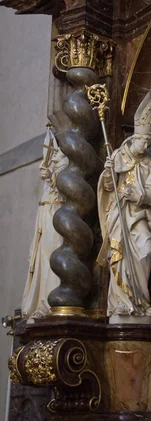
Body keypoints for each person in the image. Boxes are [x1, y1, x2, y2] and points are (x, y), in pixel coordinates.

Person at [97, 93, 151, 323]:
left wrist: (139, 194)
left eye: (149, 142)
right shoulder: (116, 157)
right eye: (143, 141)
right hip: (120, 215)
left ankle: (141, 301)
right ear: (134, 139)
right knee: (119, 255)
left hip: (140, 217)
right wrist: (108, 172)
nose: (146, 146)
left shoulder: (150, 163)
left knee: (146, 251)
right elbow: (106, 187)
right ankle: (122, 304)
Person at [22, 127, 68, 318]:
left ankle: (51, 302)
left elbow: (67, 190)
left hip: (58, 215)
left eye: (51, 156)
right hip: (45, 216)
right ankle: (41, 302)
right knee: (41, 257)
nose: (48, 161)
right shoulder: (51, 167)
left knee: (53, 255)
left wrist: (52, 177)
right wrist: (48, 177)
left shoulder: (65, 163)